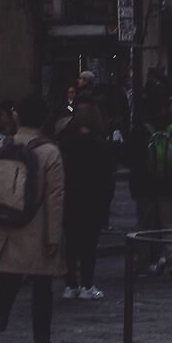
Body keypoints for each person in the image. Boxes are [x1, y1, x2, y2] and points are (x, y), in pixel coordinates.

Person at [0, 95, 66, 343]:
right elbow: (55, 197)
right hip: (36, 231)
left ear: (18, 116)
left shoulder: (2, 145)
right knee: (42, 288)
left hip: (4, 229)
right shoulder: (50, 152)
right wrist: (53, 237)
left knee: (6, 288)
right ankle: (41, 342)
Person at [55, 95, 117, 301]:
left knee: (71, 243)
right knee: (89, 244)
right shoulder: (102, 145)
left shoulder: (65, 143)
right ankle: (87, 284)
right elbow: (108, 177)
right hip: (92, 199)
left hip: (70, 198)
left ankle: (71, 284)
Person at [127, 92, 172, 277]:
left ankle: (141, 263)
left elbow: (130, 159)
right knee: (171, 225)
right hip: (168, 186)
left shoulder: (139, 130)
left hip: (145, 186)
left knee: (144, 225)